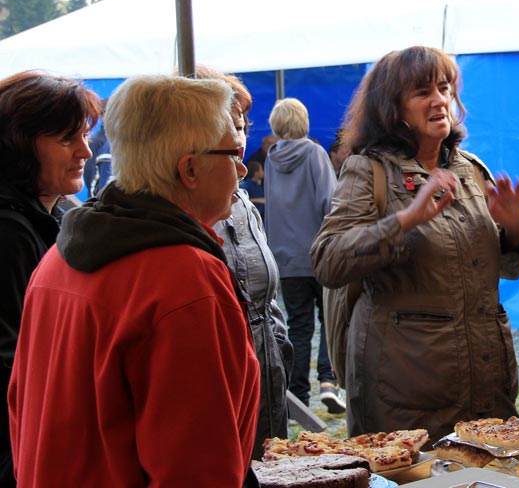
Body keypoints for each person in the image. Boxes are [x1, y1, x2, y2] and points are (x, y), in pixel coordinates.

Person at [8, 75, 260, 487]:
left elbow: (21, 417)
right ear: (189, 169)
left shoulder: (58, 258)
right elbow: (197, 470)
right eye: (233, 152)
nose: (243, 167)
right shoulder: (185, 281)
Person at [310, 45, 519, 443]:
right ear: (392, 108)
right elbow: (329, 262)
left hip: (486, 390)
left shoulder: (471, 170)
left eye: (444, 88)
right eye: (422, 92)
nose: (439, 100)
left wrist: (516, 232)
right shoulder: (368, 171)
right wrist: (406, 220)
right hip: (405, 398)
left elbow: (509, 269)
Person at [0, 71, 101, 487]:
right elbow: (13, 363)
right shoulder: (9, 231)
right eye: (66, 139)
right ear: (18, 147)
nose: (85, 151)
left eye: (84, 135)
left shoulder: (56, 215)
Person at [194, 65, 292, 460]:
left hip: (267, 390)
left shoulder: (244, 207)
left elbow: (268, 302)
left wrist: (279, 358)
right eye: (230, 128)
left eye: (243, 126)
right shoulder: (182, 214)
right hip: (217, 403)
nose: (239, 140)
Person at [264, 98, 344, 414]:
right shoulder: (314, 153)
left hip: (285, 258)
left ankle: (298, 394)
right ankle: (327, 381)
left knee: (298, 326)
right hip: (319, 253)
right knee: (330, 320)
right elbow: (331, 201)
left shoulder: (271, 158)